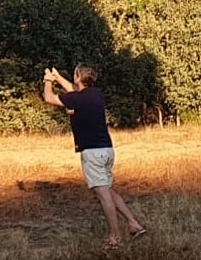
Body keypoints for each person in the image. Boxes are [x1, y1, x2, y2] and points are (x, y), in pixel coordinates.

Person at [43, 65, 146, 248]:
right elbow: (74, 92)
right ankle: (133, 224)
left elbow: (49, 98)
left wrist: (48, 81)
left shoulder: (78, 98)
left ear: (78, 77)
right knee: (109, 190)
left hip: (92, 152)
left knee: (103, 194)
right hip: (106, 149)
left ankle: (115, 238)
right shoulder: (96, 94)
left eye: (74, 74)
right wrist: (58, 77)